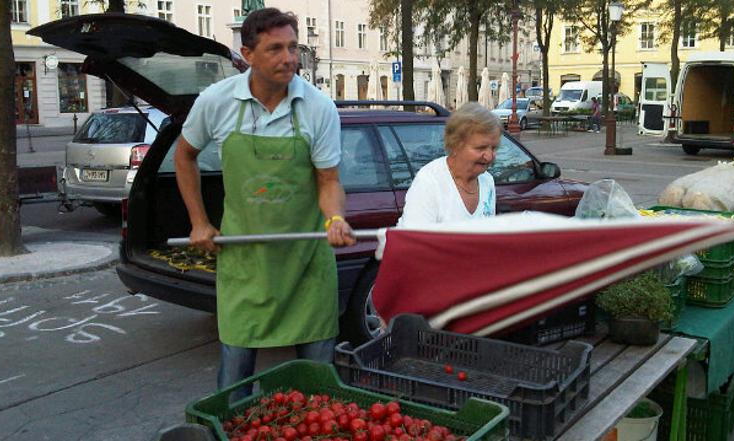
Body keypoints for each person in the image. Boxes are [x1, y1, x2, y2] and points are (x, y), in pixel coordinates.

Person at [174, 7, 355, 396]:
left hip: (305, 260)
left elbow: (329, 181)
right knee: (234, 386)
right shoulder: (216, 101)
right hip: (245, 261)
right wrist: (199, 221)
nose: (289, 58)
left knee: (316, 387)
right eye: (275, 49)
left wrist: (335, 217)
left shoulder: (318, 108)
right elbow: (184, 155)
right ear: (248, 54)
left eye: (293, 47)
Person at [397, 103, 500, 226]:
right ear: (455, 145)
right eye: (480, 148)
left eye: (493, 148)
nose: (489, 156)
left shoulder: (487, 181)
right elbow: (415, 241)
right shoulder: (429, 182)